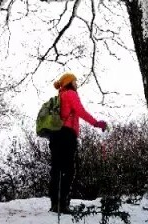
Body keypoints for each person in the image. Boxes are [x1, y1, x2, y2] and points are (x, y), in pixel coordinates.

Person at [49, 72, 107, 214]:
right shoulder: (70, 94)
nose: (77, 83)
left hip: (55, 135)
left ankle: (55, 203)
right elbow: (80, 110)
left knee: (56, 169)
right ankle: (63, 204)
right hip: (67, 134)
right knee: (68, 169)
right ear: (70, 82)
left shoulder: (60, 95)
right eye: (75, 81)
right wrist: (96, 123)